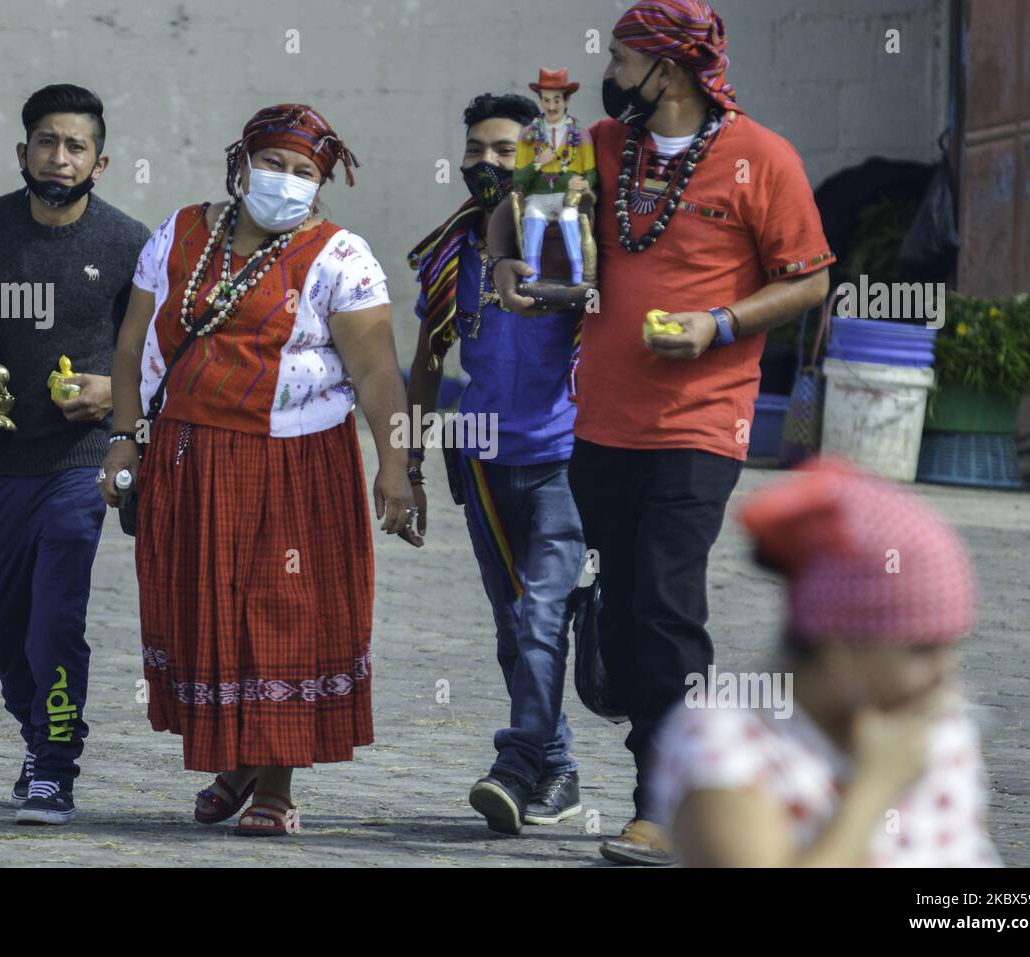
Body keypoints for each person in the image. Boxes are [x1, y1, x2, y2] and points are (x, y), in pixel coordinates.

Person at [492, 0, 835, 864]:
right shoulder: (602, 147)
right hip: (599, 424)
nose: (606, 73)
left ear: (668, 71)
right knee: (621, 610)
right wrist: (508, 265)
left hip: (701, 424)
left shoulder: (764, 157)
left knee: (666, 607)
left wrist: (717, 325)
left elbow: (809, 281)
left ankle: (664, 801)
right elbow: (513, 209)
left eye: (619, 58)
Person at [101, 104, 417, 836]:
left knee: (284, 612)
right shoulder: (177, 235)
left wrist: (395, 466)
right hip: (189, 455)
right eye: (274, 163)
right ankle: (238, 759)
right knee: (207, 609)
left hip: (298, 461)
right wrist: (124, 439)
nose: (287, 181)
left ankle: (276, 784)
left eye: (306, 172)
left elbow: (377, 375)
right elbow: (130, 347)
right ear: (241, 164)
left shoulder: (342, 256)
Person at [0, 84, 150, 825]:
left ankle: (53, 765)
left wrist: (112, 392)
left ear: (100, 162)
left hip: (79, 463)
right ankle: (40, 733)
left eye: (76, 146)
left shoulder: (128, 243)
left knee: (56, 618)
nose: (60, 157)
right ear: (24, 152)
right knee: (2, 622)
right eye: (47, 141)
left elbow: (152, 354)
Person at [652, 455, 1002, 867]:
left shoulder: (937, 729)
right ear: (839, 648)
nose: (947, 671)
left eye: (953, 645)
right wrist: (873, 790)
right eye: (921, 649)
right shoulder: (729, 741)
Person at [406, 93, 586, 834]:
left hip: (563, 461)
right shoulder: (454, 252)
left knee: (543, 615)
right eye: (476, 149)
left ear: (537, 157)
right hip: (480, 461)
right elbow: (426, 361)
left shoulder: (569, 239)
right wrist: (407, 462)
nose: (486, 163)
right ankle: (559, 769)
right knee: (515, 629)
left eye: (505, 151)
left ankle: (517, 763)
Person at [513, 68, 597, 285]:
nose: (551, 106)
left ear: (566, 100)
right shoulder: (527, 134)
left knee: (569, 218)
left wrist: (584, 183)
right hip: (537, 198)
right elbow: (518, 180)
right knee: (531, 218)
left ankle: (578, 271)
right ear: (540, 101)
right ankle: (532, 271)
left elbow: (592, 172)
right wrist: (539, 162)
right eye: (546, 100)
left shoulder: (581, 134)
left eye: (557, 100)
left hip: (565, 197)